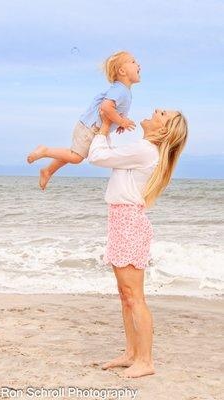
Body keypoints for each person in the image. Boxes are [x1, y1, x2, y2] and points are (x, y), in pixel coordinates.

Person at [87, 108, 188, 378]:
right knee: (125, 296)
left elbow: (96, 157)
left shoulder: (145, 149)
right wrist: (106, 133)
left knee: (135, 297)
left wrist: (105, 127)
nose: (156, 110)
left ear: (163, 130)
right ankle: (131, 354)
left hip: (129, 223)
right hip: (122, 221)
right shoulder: (143, 150)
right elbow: (110, 157)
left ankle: (146, 361)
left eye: (163, 114)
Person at [26, 51, 140, 190]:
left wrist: (120, 120)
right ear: (122, 71)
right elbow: (106, 108)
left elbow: (114, 109)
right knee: (76, 157)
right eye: (133, 62)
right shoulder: (120, 90)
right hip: (90, 127)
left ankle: (48, 171)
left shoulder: (124, 91)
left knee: (73, 153)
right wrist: (121, 122)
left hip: (90, 126)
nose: (138, 64)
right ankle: (45, 151)